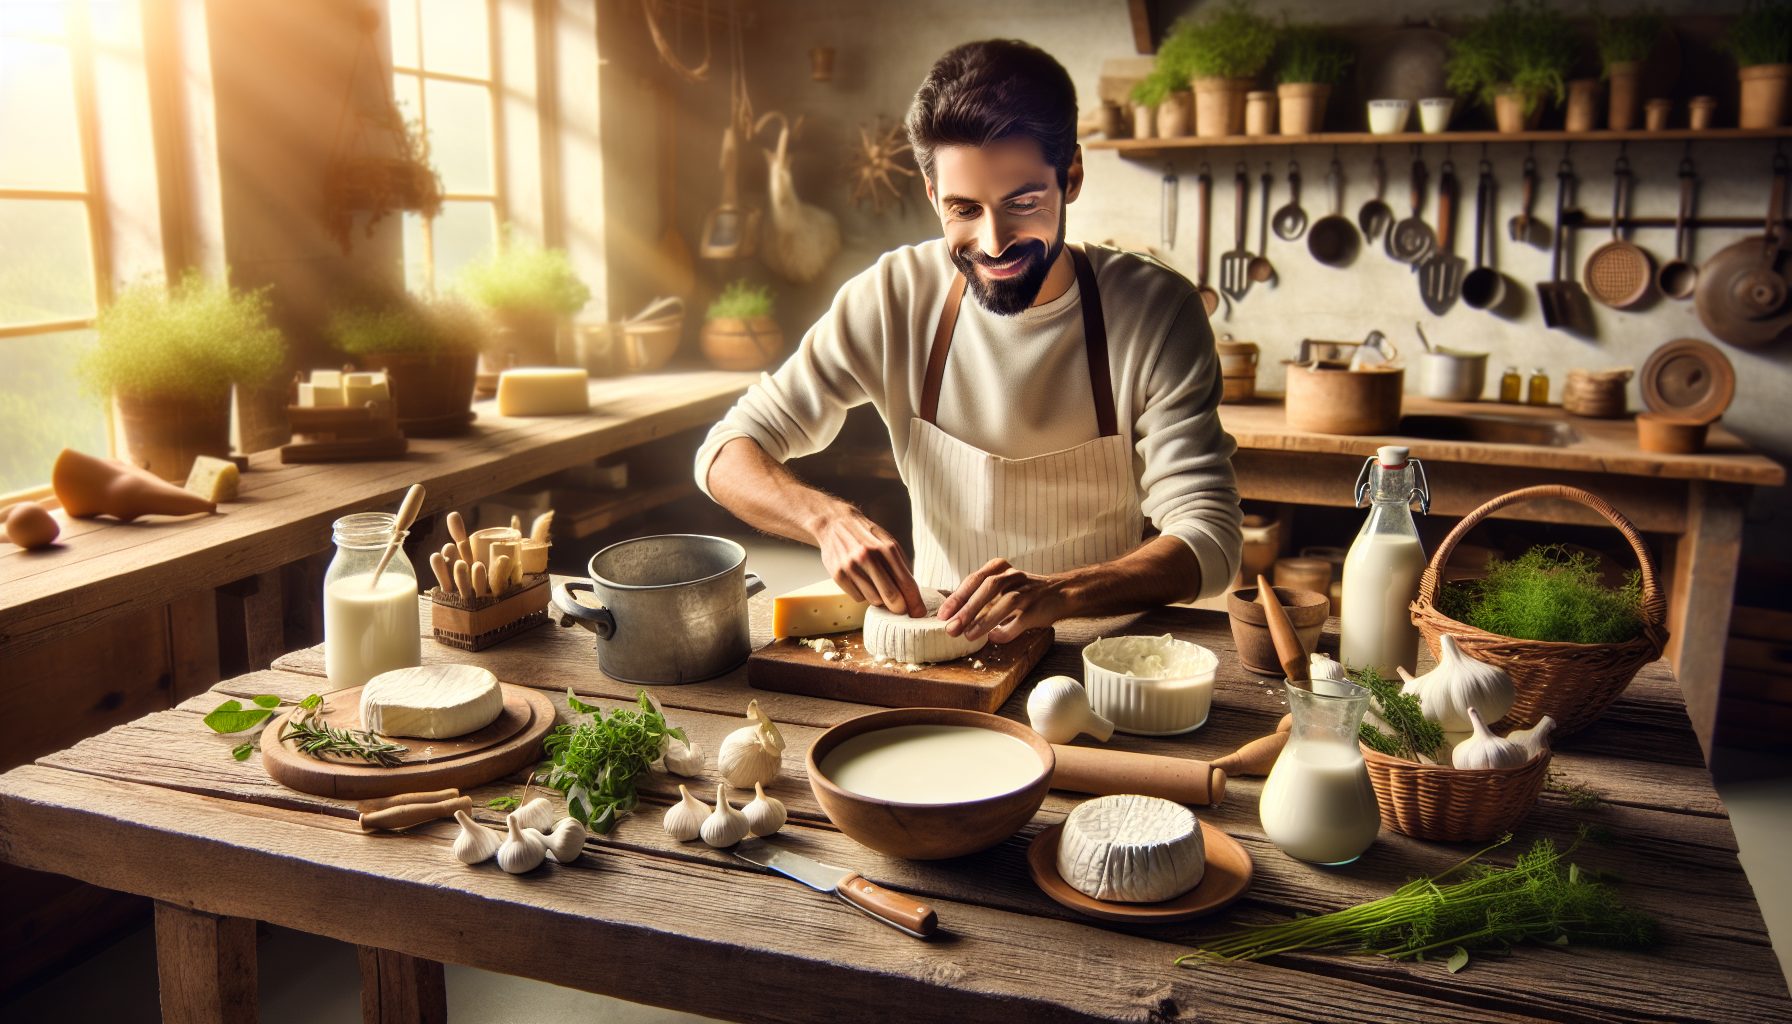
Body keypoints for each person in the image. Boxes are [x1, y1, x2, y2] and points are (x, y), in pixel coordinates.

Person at [693, 38, 1242, 646]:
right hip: (937, 650)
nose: (995, 240)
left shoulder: (1157, 310)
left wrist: (1061, 593)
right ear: (932, 195)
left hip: (1103, 654)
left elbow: (1210, 537)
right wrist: (825, 519)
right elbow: (725, 451)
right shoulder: (892, 297)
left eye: (1022, 202)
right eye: (963, 209)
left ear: (1073, 177)